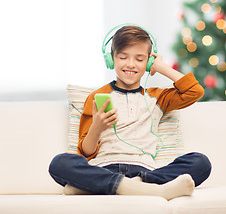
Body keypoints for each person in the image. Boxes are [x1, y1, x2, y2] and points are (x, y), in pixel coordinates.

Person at [49, 24, 211, 200]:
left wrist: (162, 67)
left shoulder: (157, 97)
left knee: (200, 162)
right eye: (123, 57)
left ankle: (107, 187)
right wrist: (97, 127)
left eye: (140, 59)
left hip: (145, 171)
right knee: (60, 163)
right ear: (111, 59)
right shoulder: (97, 97)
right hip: (103, 167)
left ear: (149, 62)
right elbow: (86, 153)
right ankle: (152, 190)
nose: (131, 64)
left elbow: (195, 91)